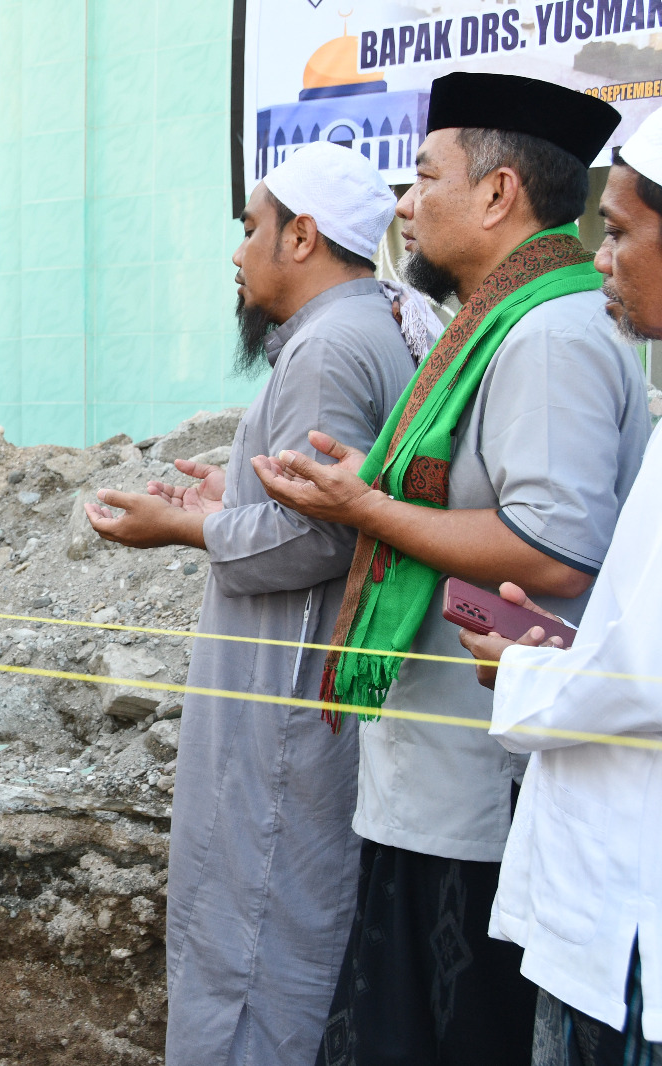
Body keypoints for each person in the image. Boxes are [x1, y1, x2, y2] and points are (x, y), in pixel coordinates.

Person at [252, 73, 649, 1066]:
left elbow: (553, 550)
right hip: (439, 765)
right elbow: (477, 502)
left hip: (480, 780)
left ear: (495, 193)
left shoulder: (547, 332)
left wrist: (367, 508)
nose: (403, 204)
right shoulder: (501, 320)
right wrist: (370, 484)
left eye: (422, 176)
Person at [87, 142, 418, 1066]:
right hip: (290, 690)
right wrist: (228, 503)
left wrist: (186, 529)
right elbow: (317, 507)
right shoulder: (354, 333)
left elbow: (326, 534)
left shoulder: (332, 346)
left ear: (302, 236)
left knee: (259, 933)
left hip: (285, 710)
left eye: (250, 229)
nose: (238, 253)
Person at [457, 106, 662, 1066]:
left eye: (619, 232)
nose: (603, 257)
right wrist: (572, 653)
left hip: (634, 917)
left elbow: (645, 684)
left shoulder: (554, 338)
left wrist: (526, 671)